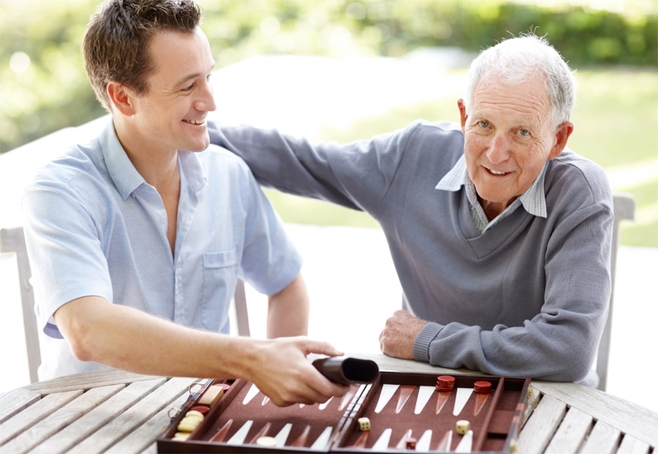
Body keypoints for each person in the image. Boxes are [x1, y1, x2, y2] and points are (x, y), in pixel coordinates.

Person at [208, 33, 614, 385]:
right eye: (483, 124)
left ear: (558, 139)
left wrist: (428, 339)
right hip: (429, 387)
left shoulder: (579, 192)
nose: (496, 153)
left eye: (522, 132)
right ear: (463, 116)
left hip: (543, 396)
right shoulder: (413, 156)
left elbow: (568, 349)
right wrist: (194, 130)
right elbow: (307, 162)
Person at [22, 0, 348, 406]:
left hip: (205, 418)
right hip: (91, 424)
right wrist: (251, 360)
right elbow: (89, 330)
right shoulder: (61, 191)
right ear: (123, 98)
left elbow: (286, 285)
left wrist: (276, 378)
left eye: (208, 77)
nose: (210, 101)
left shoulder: (229, 175)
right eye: (188, 86)